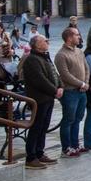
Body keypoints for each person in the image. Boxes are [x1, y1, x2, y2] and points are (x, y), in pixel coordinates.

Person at [20, 34, 60, 169]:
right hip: (39, 98)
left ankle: (39, 152)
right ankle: (31, 157)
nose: (48, 42)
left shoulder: (45, 56)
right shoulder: (32, 59)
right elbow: (40, 79)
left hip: (49, 97)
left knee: (44, 127)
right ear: (37, 45)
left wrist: (60, 86)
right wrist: (55, 90)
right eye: (45, 41)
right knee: (36, 127)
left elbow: (54, 73)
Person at [54, 26, 89, 158]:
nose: (79, 37)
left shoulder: (79, 51)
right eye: (76, 35)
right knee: (68, 119)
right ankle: (66, 147)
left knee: (78, 118)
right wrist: (81, 83)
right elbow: (65, 74)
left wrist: (85, 83)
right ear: (69, 38)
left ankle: (75, 144)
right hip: (70, 92)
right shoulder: (61, 55)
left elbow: (86, 68)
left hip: (82, 91)